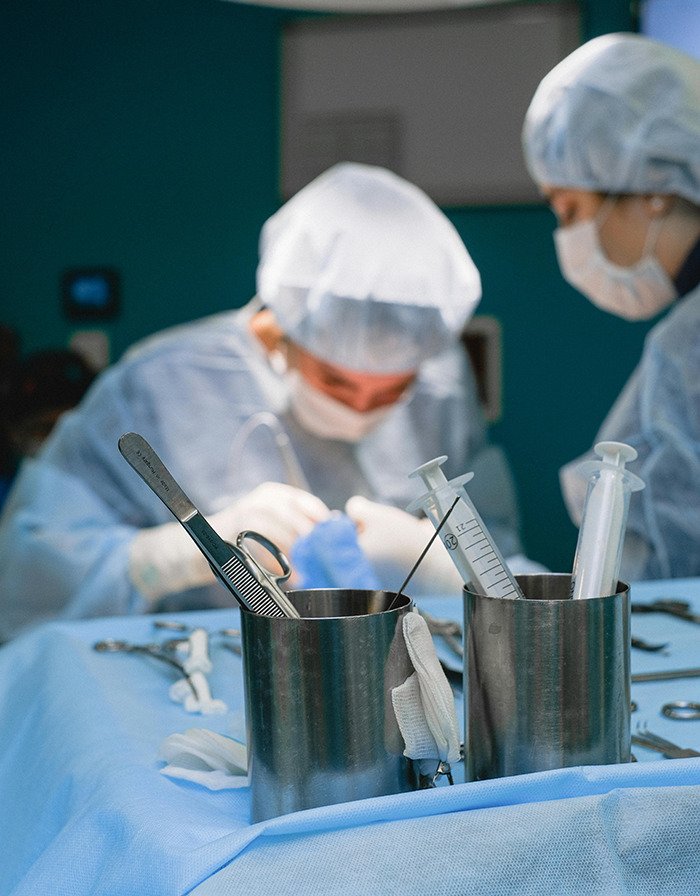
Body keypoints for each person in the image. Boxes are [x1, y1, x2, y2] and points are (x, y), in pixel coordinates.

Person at [0, 162, 523, 640]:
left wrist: (438, 562)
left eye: (392, 390)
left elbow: (507, 569)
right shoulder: (160, 384)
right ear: (280, 333)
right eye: (336, 382)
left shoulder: (440, 385)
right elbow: (27, 575)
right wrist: (169, 557)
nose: (363, 408)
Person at [522, 33, 700, 581]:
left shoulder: (689, 346)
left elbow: (670, 574)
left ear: (653, 189)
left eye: (569, 209)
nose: (567, 237)